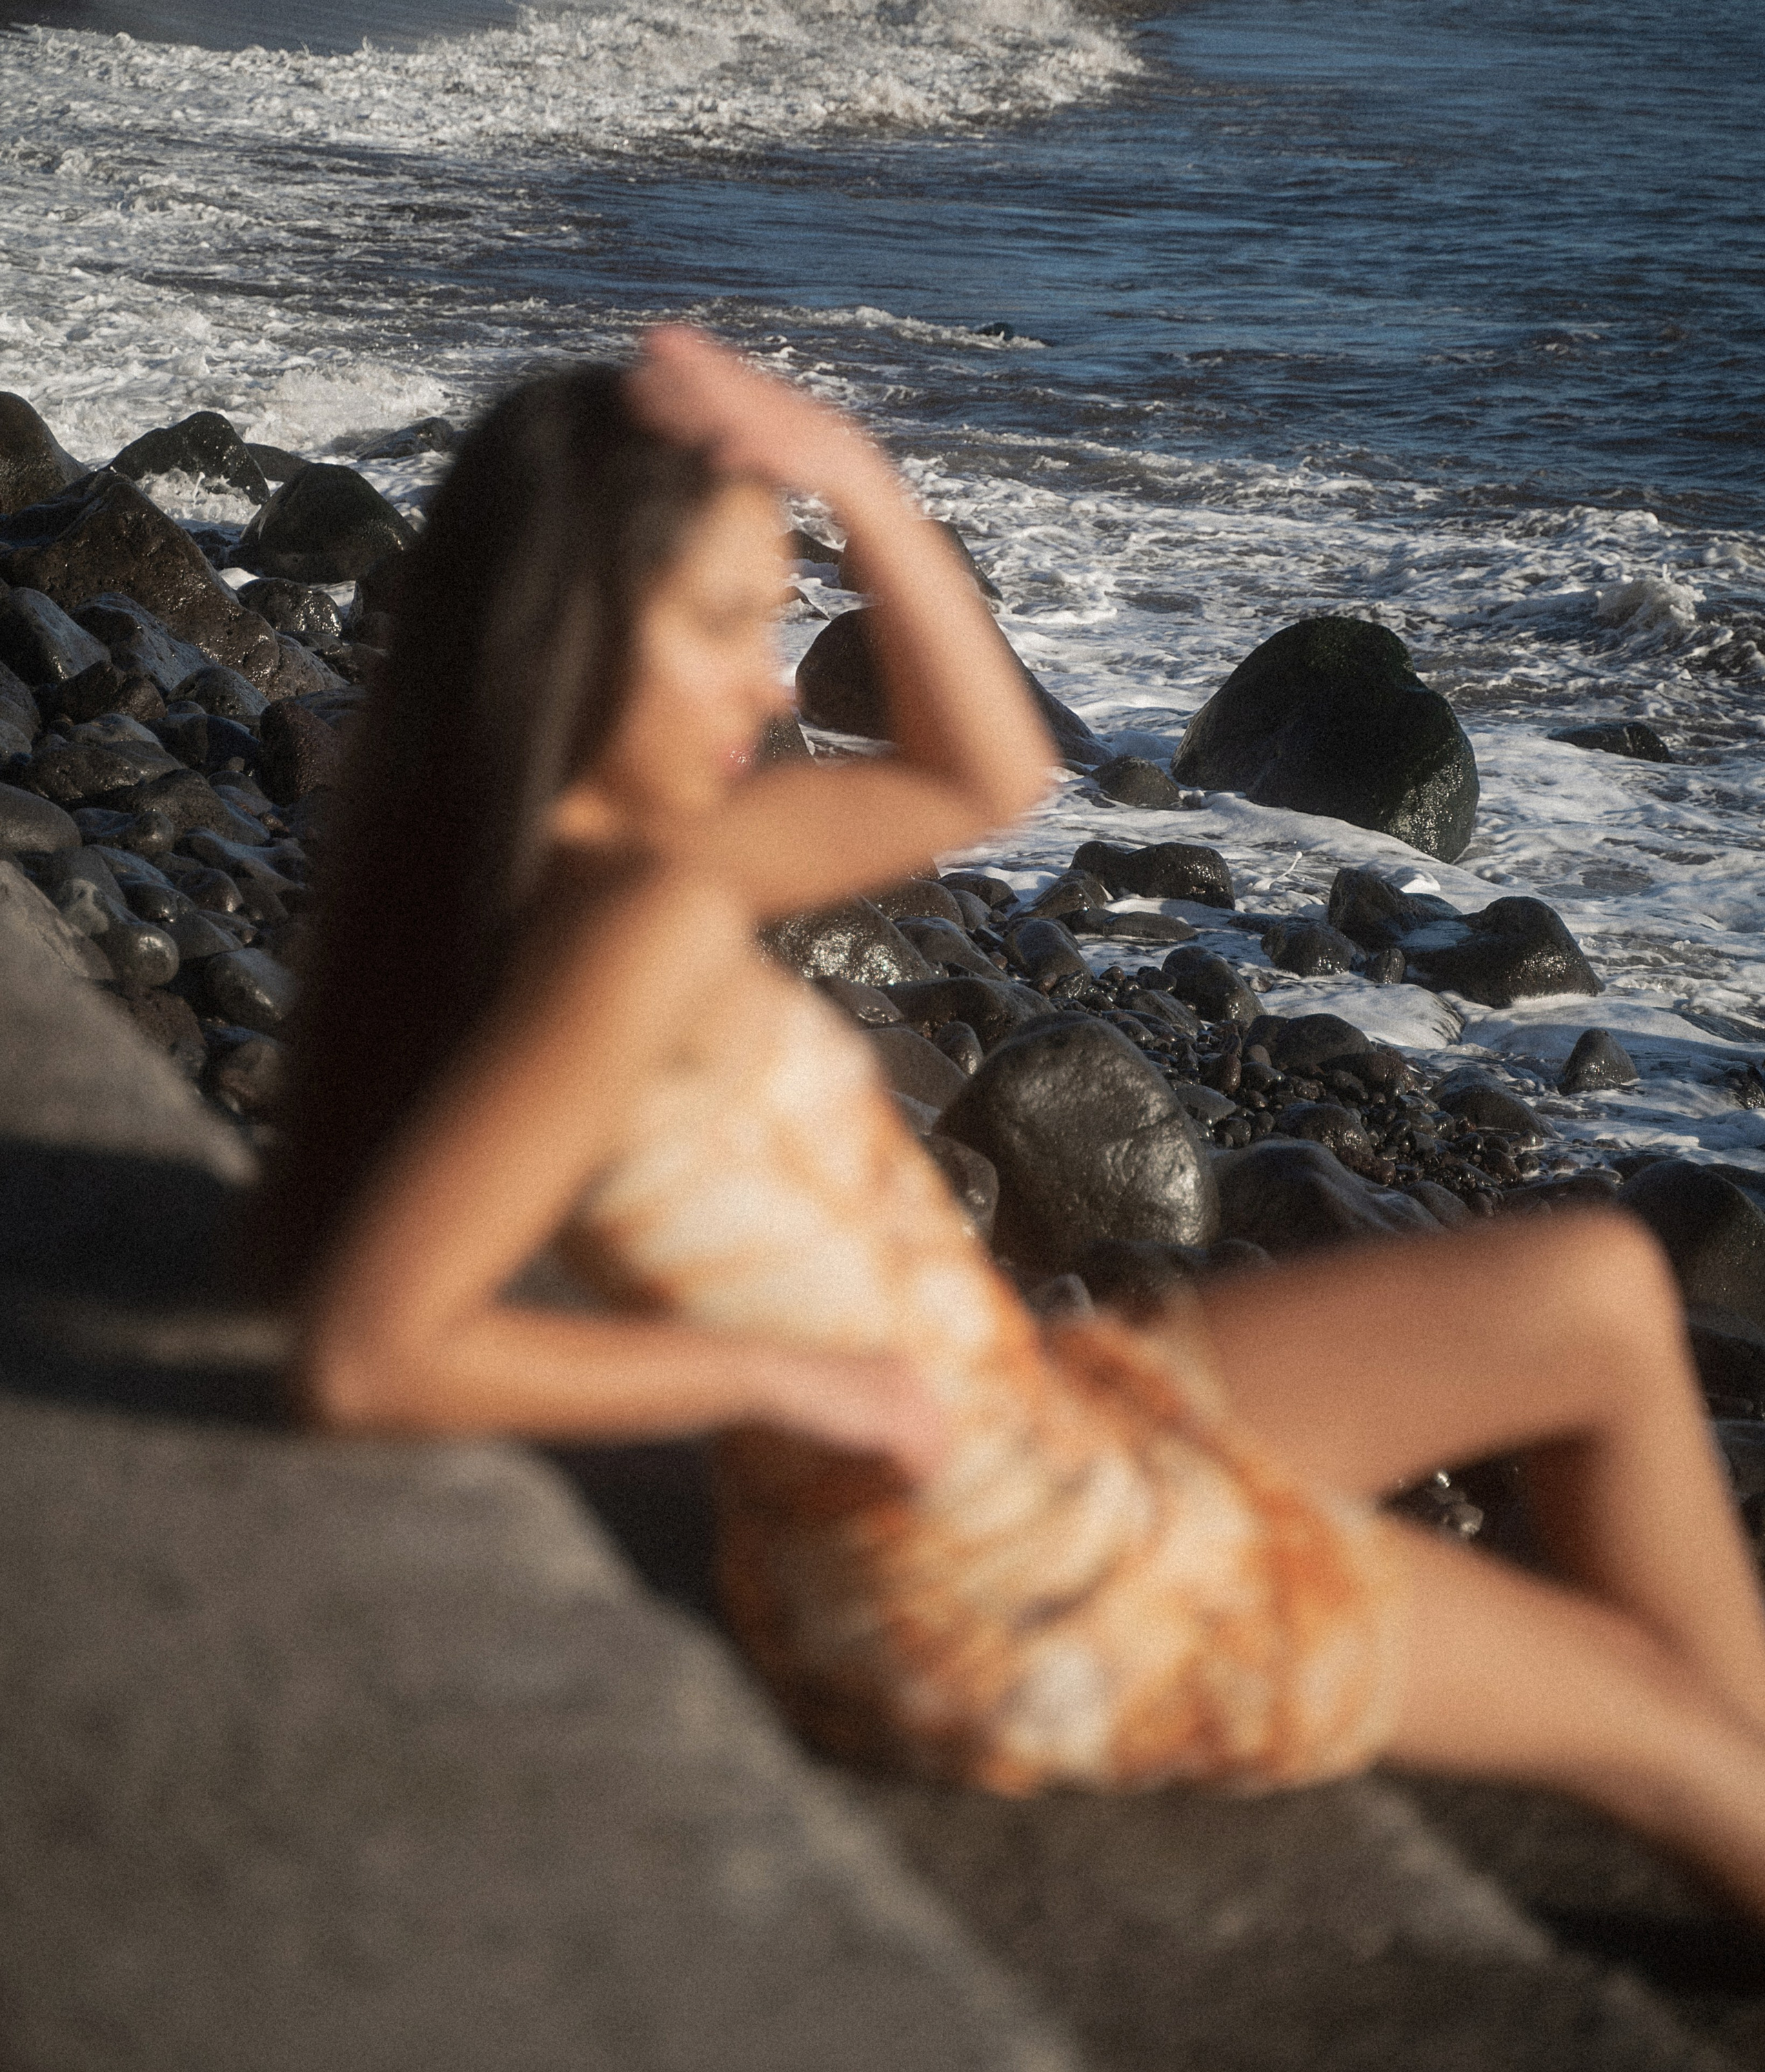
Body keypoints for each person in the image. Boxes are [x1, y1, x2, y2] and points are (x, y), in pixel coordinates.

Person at [262, 324, 1765, 1916]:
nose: (770, 682)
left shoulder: (646, 856)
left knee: (1587, 1291)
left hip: (1020, 1427)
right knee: (1644, 1715)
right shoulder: (622, 931)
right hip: (991, 1588)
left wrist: (846, 470)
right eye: (719, 623)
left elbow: (986, 771)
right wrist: (789, 1381)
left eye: (769, 618)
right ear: (568, 625)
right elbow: (373, 1351)